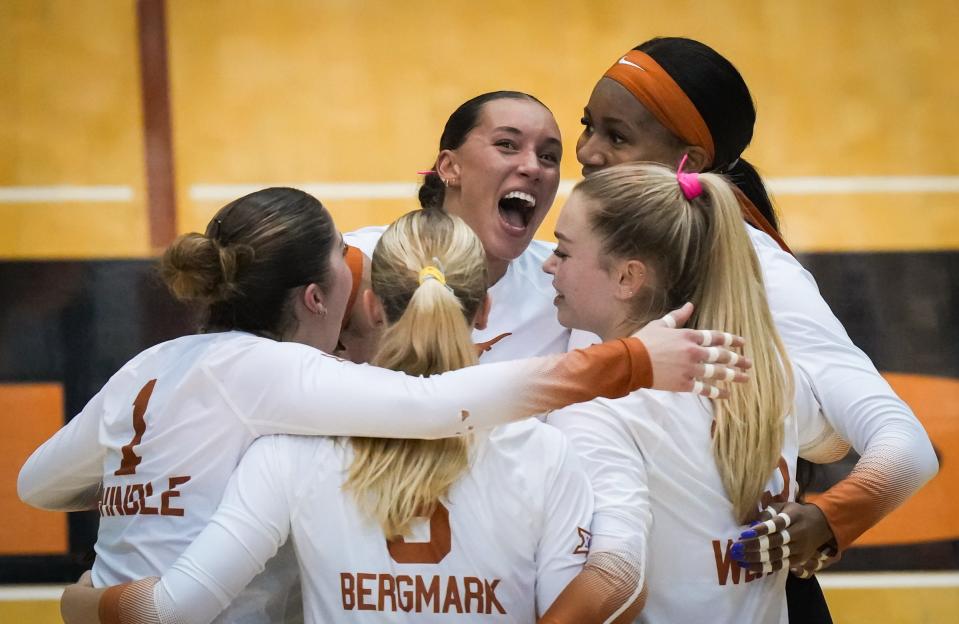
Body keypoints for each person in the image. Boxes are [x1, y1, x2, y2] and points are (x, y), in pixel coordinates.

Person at [20, 187, 748, 622]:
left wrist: (94, 585)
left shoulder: (247, 426)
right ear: (319, 298)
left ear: (368, 302)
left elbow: (39, 487)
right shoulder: (543, 449)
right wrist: (626, 359)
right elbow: (438, 407)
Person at [574, 37, 938, 619]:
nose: (588, 152)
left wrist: (826, 518)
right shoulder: (583, 248)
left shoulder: (763, 273)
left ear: (688, 160)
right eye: (587, 126)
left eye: (617, 137)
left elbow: (906, 446)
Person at [541, 162, 849, 622]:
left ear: (628, 278)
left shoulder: (599, 411)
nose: (548, 264)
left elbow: (618, 576)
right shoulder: (762, 371)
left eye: (563, 252)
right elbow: (836, 442)